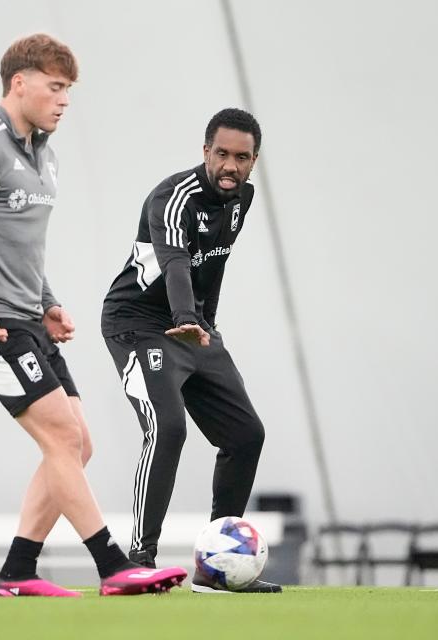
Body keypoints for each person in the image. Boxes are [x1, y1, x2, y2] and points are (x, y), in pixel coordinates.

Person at [0, 33, 185, 597]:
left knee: (77, 445)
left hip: (27, 321)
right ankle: (113, 565)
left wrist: (47, 302)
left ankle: (17, 572)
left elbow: (23, 249)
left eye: (68, 89)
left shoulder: (47, 157)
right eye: (55, 86)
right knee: (65, 439)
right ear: (19, 83)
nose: (64, 99)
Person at [100, 108, 281, 593]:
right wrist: (184, 317)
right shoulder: (172, 196)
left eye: (241, 158)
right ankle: (139, 559)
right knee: (168, 427)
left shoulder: (242, 198)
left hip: (195, 327)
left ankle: (216, 566)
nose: (230, 165)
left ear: (253, 161)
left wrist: (204, 324)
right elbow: (177, 262)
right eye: (221, 153)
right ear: (205, 152)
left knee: (246, 435)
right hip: (139, 325)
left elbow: (214, 267)